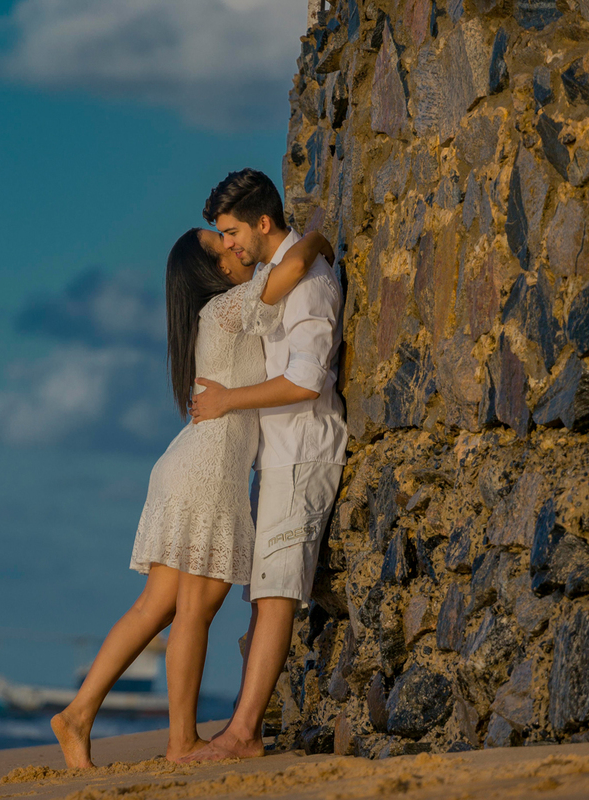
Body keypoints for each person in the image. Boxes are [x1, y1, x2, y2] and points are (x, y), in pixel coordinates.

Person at [50, 224, 334, 768]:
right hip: (207, 474)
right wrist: (320, 235)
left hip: (189, 466)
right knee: (193, 611)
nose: (231, 247)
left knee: (156, 606)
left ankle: (79, 713)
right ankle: (180, 740)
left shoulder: (222, 315)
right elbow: (294, 268)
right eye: (219, 245)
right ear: (213, 272)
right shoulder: (227, 308)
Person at [183, 168, 347, 762]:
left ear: (261, 223)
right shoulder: (284, 274)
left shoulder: (309, 283)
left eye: (230, 233)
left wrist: (226, 400)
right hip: (275, 456)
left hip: (303, 450)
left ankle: (244, 733)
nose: (227, 245)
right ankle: (243, 723)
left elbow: (305, 381)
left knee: (276, 590)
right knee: (262, 591)